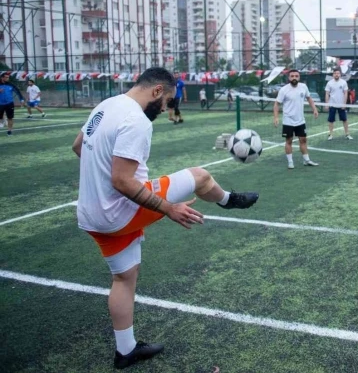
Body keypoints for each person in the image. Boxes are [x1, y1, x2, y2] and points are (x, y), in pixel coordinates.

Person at [72, 67, 259, 369]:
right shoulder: (136, 120)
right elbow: (122, 181)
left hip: (91, 214)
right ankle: (227, 200)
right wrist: (168, 208)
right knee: (200, 176)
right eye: (167, 101)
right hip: (119, 211)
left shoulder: (105, 105)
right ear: (157, 91)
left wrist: (103, 173)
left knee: (124, 278)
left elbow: (78, 146)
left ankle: (126, 351)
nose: (166, 108)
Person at [273, 69, 320, 169]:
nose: (294, 78)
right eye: (292, 76)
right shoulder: (284, 90)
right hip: (288, 120)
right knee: (289, 141)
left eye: (296, 76)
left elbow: (309, 98)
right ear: (289, 78)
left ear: (299, 77)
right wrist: (276, 117)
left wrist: (314, 109)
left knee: (303, 140)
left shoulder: (303, 87)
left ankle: (306, 160)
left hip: (300, 120)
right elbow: (277, 104)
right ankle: (290, 162)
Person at [325, 68, 352, 140]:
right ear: (333, 74)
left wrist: (344, 104)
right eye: (335, 73)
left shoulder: (343, 82)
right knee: (331, 120)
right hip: (332, 104)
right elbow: (327, 94)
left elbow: (346, 93)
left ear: (340, 74)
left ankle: (347, 134)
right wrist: (327, 104)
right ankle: (330, 135)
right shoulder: (329, 83)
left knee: (345, 120)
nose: (336, 74)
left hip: (341, 105)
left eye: (338, 73)